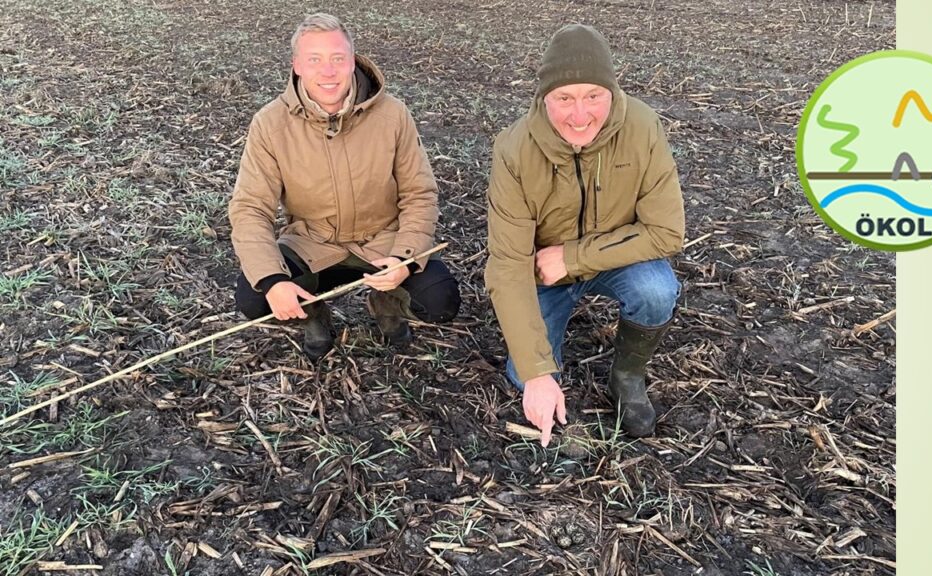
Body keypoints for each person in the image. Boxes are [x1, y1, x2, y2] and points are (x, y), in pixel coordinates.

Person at [485, 24, 686, 445]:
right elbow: (507, 264)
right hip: (544, 273)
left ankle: (627, 377)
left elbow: (667, 232)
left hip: (615, 256)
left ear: (613, 94)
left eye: (594, 96)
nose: (580, 116)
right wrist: (540, 375)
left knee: (656, 290)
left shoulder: (643, 128)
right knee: (524, 374)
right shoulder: (514, 150)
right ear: (544, 99)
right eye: (564, 99)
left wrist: (574, 258)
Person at [229, 13, 460, 361]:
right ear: (296, 66)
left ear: (353, 61)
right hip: (312, 243)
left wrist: (405, 258)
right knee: (255, 297)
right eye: (314, 60)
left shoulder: (393, 115)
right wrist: (273, 281)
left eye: (338, 58)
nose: (328, 71)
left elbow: (419, 193)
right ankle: (312, 316)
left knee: (440, 299)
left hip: (381, 241)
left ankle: (385, 303)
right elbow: (250, 208)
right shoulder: (270, 124)